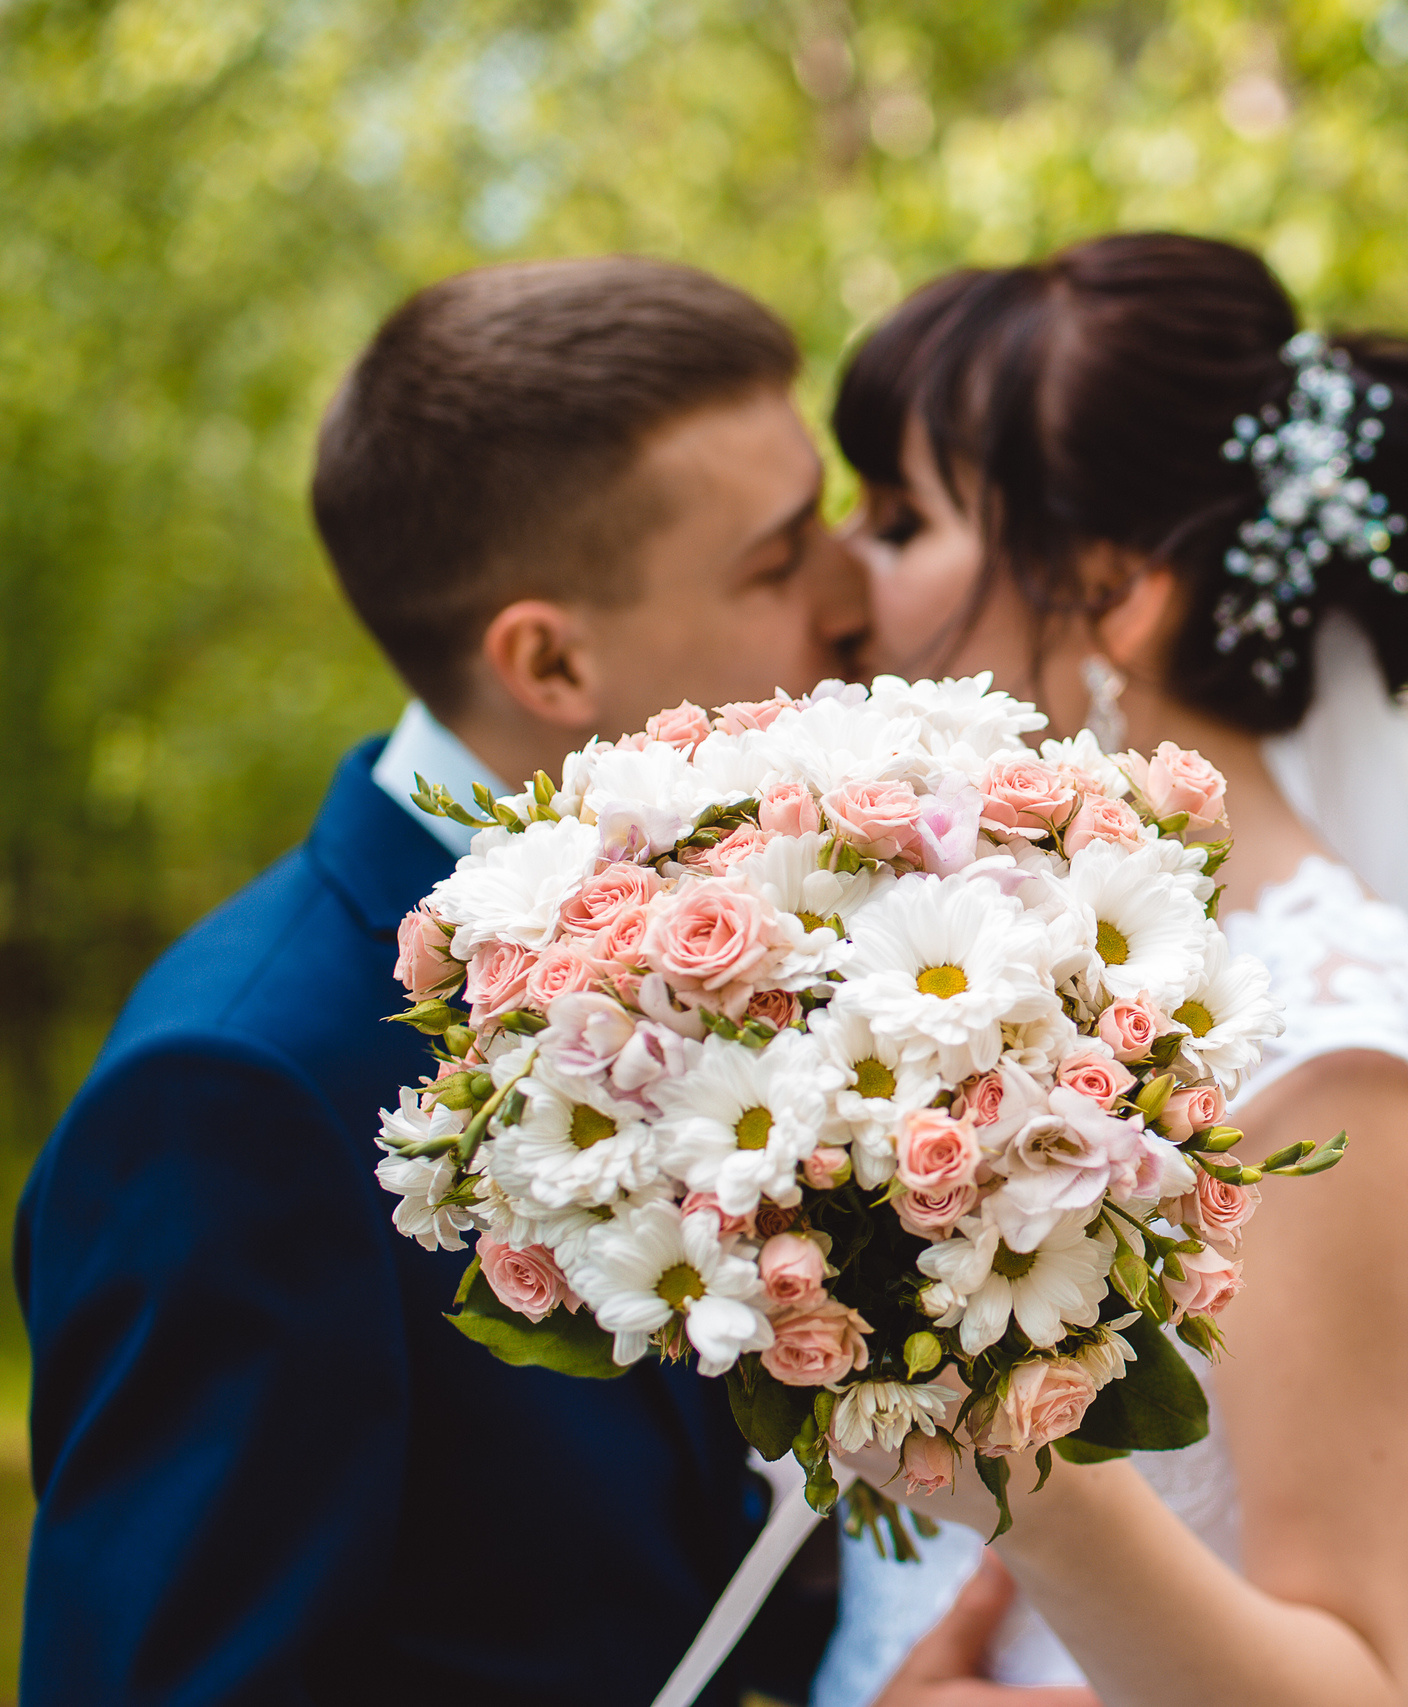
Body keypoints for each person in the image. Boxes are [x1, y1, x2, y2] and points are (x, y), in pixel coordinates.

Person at [808, 233, 1408, 1707]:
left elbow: (1348, 1679)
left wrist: (1028, 1480)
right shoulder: (980, 952)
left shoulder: (1334, 1056)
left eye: (897, 520)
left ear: (1114, 590)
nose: (836, 574)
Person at [15, 256, 871, 1705]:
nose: (855, 596)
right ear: (547, 659)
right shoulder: (239, 1094)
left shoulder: (735, 939)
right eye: (780, 562)